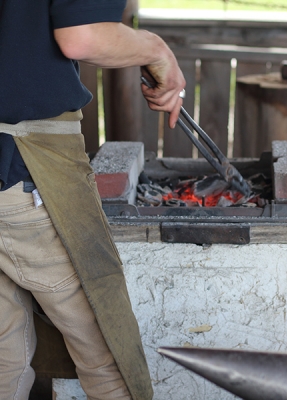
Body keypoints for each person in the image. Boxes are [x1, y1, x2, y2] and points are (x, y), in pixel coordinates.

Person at [0, 0, 185, 399]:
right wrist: (157, 49)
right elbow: (81, 36)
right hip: (21, 166)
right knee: (107, 354)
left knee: (3, 360)